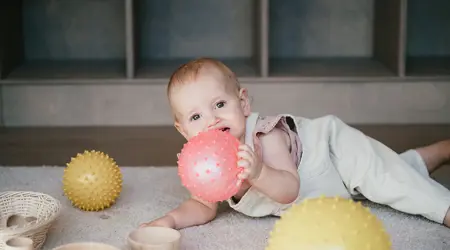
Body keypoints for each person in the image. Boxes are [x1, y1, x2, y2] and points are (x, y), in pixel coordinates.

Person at [139, 57, 450, 230]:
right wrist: (169, 221)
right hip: (327, 191)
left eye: (220, 105)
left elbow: (289, 190)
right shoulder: (205, 165)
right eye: (196, 117)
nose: (211, 121)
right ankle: (437, 153)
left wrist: (258, 173)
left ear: (243, 103)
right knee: (392, 173)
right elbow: (201, 206)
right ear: (182, 131)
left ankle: (445, 209)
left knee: (387, 179)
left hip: (334, 152)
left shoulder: (264, 135)